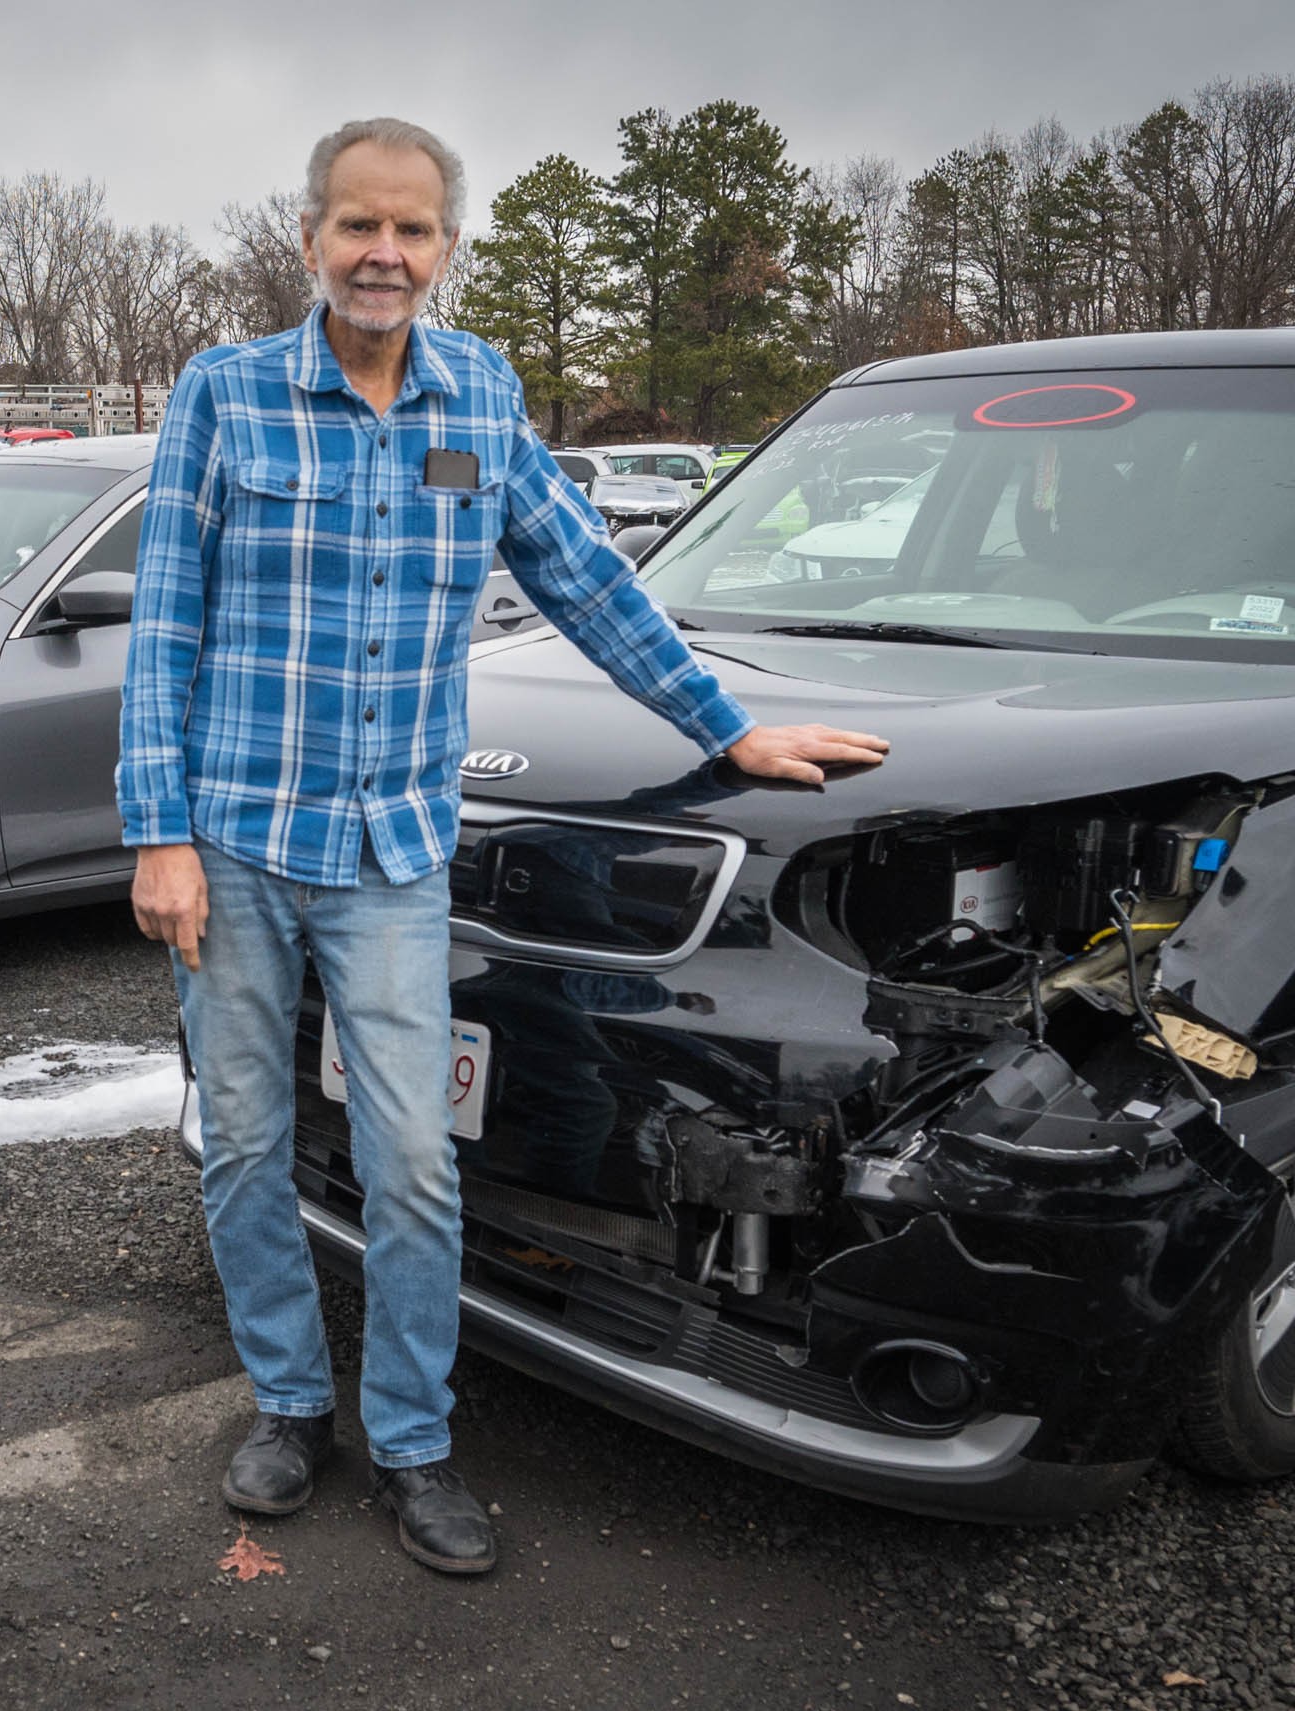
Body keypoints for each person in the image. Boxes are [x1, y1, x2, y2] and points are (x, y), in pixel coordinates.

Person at [116, 117, 888, 1575]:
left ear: (445, 249)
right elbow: (164, 630)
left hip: (395, 851)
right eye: (359, 226)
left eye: (413, 230)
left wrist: (730, 730)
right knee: (248, 1146)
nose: (384, 254)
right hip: (235, 844)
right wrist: (159, 834)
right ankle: (291, 1401)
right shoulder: (223, 399)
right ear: (311, 238)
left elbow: (586, 577)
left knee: (411, 1157)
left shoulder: (479, 397)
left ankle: (412, 1437)